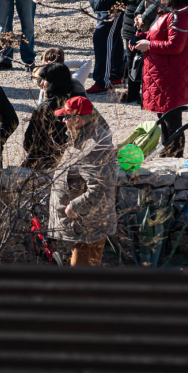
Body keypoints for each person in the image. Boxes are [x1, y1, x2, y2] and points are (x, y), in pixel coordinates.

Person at [48, 96, 119, 267]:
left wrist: (75, 206)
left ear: (77, 119)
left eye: (66, 117)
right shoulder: (85, 137)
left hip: (87, 226)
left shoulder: (91, 148)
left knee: (80, 283)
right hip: (85, 225)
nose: (63, 121)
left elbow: (101, 187)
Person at [137, 0, 188, 157]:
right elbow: (162, 36)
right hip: (166, 73)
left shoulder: (179, 14)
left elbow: (175, 46)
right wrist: (144, 36)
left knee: (172, 121)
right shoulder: (170, 11)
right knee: (165, 118)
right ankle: (169, 153)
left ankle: (174, 157)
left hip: (172, 75)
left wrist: (148, 45)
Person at [24, 62, 86, 170]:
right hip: (77, 158)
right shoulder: (81, 102)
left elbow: (29, 142)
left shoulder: (46, 107)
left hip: (44, 159)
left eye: (44, 79)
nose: (42, 83)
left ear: (54, 82)